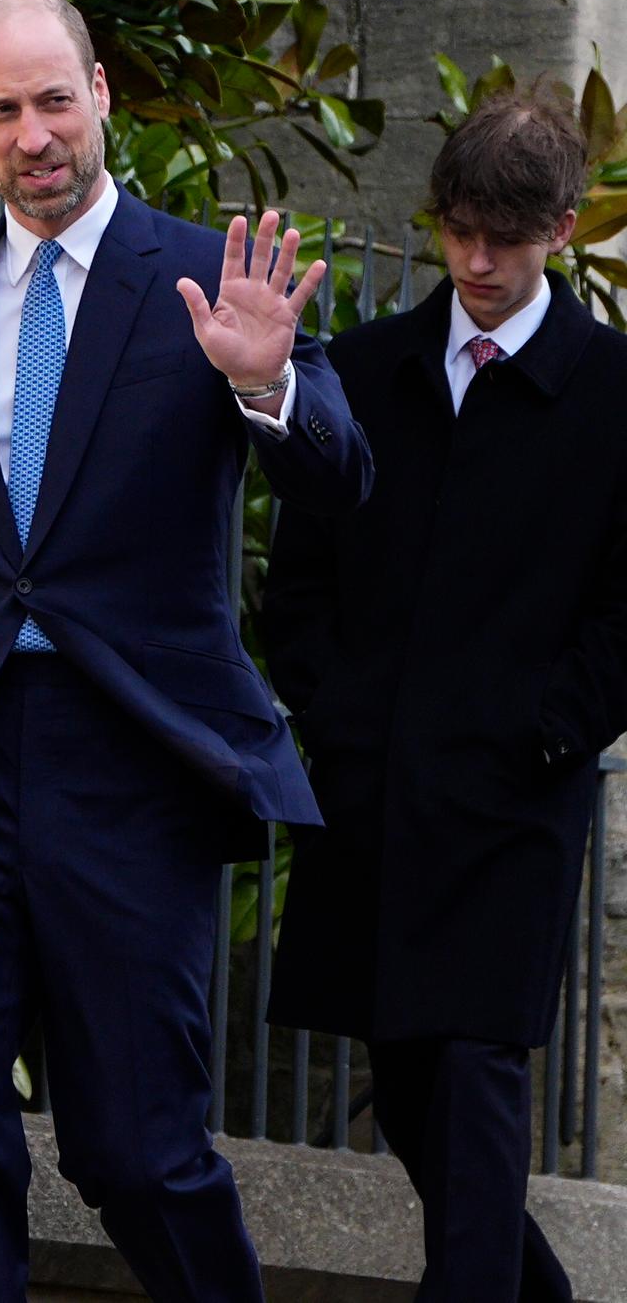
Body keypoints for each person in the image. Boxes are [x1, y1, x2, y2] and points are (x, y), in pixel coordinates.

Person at [0, 0, 371, 1302]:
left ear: (102, 90)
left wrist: (266, 385)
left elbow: (348, 485)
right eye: (3, 110)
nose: (34, 133)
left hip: (136, 767)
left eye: (55, 99)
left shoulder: (207, 280)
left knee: (136, 1146)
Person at [263, 87, 627, 1303]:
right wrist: (337, 712)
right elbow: (297, 570)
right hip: (373, 791)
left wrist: (547, 733)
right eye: (458, 230)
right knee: (412, 1089)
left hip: (513, 805)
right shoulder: (368, 369)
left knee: (475, 1073)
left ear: (561, 232)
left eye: (506, 239)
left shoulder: (615, 394)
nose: (475, 261)